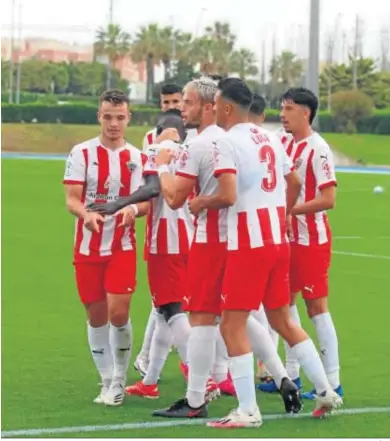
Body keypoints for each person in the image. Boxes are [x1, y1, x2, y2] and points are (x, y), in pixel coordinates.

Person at [186, 78, 342, 426]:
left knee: (232, 324)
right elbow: (296, 182)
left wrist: (200, 202)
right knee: (282, 319)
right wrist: (283, 213)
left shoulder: (226, 141)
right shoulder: (269, 136)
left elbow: (226, 196)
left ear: (225, 107)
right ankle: (325, 390)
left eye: (216, 105)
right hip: (278, 242)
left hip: (248, 245)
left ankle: (248, 410)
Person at [151, 77, 301, 421]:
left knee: (203, 319)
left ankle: (195, 398)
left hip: (213, 239)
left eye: (186, 103)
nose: (180, 109)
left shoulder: (202, 144)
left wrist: (161, 163)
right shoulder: (239, 137)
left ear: (210, 106)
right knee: (241, 318)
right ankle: (281, 377)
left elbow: (174, 199)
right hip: (242, 237)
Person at [63, 89, 149, 406]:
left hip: (121, 245)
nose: (114, 123)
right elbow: (71, 198)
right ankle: (105, 378)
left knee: (119, 311)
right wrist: (85, 214)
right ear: (99, 116)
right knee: (96, 315)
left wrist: (132, 211)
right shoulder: (81, 153)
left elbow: (146, 204)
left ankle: (118, 380)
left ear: (128, 118)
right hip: (87, 247)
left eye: (120, 117)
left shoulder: (138, 158)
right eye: (108, 117)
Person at [280, 87, 342, 400]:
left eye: (289, 108)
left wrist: (291, 210)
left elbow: (328, 199)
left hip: (311, 240)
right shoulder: (285, 143)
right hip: (288, 239)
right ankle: (292, 375)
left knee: (316, 307)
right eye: (282, 108)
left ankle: (333, 380)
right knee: (286, 303)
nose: (282, 114)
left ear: (305, 112)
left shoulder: (318, 149)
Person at [135, 83, 197, 378]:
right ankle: (149, 376)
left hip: (170, 237)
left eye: (178, 101)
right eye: (167, 101)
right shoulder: (167, 139)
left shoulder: (176, 141)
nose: (173, 105)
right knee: (163, 309)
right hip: (180, 234)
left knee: (175, 310)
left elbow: (151, 189)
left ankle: (203, 377)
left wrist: (122, 205)